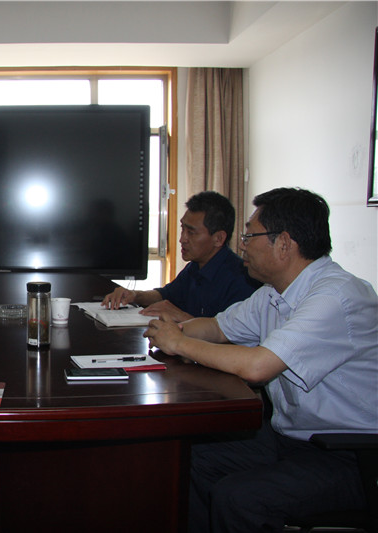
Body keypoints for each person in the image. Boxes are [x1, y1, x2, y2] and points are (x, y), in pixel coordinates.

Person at [143, 187, 378, 533]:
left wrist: (179, 343)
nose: (242, 246)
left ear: (283, 243)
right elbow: (217, 328)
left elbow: (257, 366)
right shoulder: (273, 293)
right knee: (187, 459)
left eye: (249, 236)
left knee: (238, 498)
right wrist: (169, 331)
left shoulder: (336, 297)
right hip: (290, 438)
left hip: (351, 455)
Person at [103, 191, 259, 322]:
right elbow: (164, 295)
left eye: (191, 232)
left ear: (218, 238)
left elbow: (231, 340)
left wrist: (182, 318)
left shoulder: (242, 280)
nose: (182, 239)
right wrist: (134, 295)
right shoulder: (195, 266)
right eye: (182, 228)